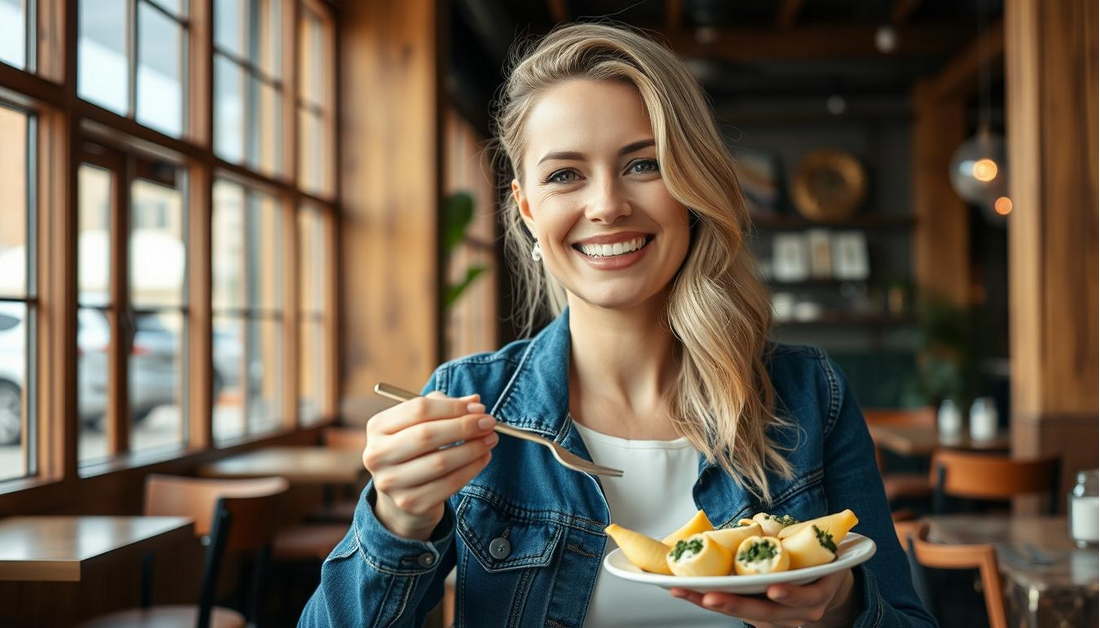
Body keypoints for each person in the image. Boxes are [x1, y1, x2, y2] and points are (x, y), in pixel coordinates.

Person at [300, 22, 936, 628]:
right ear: (526, 206)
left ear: (693, 184)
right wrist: (397, 520)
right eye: (564, 175)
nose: (606, 205)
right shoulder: (473, 402)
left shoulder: (808, 394)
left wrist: (840, 606)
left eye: (643, 163)